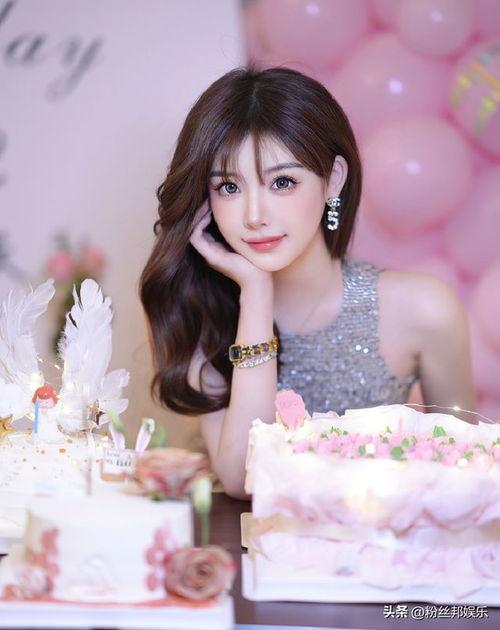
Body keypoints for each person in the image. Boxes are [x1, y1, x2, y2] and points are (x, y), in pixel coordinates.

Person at [140, 66, 475, 499]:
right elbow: (244, 479)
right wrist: (255, 295)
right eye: (228, 187)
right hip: (252, 542)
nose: (254, 215)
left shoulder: (423, 308)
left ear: (333, 179)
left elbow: (468, 473)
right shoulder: (199, 307)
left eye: (282, 182)